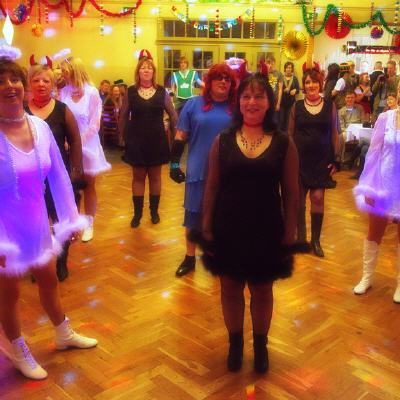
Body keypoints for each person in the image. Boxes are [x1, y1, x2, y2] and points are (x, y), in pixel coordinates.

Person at [0, 55, 97, 381]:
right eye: (0, 81)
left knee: (49, 280)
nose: (9, 86)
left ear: (23, 86)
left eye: (14, 79)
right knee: (8, 294)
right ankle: (18, 350)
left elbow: (58, 175)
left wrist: (70, 218)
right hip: (4, 229)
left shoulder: (39, 127)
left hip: (38, 221)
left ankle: (63, 333)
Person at [198, 73, 298, 373]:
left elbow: (291, 193)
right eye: (246, 96)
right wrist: (206, 229)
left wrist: (290, 234)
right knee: (230, 287)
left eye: (258, 96)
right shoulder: (223, 141)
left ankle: (261, 346)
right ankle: (235, 344)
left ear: (269, 102)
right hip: (228, 227)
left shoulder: (284, 142)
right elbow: (212, 187)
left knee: (262, 289)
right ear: (238, 102)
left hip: (267, 229)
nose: (252, 102)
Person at [170, 63, 236, 277]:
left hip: (229, 170)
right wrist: (174, 164)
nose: (223, 81)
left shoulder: (236, 107)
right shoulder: (193, 104)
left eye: (227, 78)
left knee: (224, 214)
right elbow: (180, 136)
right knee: (193, 214)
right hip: (198, 168)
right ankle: (190, 258)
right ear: (209, 81)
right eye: (219, 77)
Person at [25, 61, 83, 281]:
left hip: (58, 175)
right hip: (30, 178)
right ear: (29, 84)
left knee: (61, 219)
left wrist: (76, 169)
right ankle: (38, 263)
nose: (41, 84)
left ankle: (61, 260)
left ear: (53, 85)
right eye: (36, 80)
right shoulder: (21, 111)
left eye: (46, 80)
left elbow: (75, 141)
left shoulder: (62, 110)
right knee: (34, 220)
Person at [118, 50, 177, 228]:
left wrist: (177, 137)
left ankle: (154, 212)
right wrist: (121, 137)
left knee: (155, 177)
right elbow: (123, 115)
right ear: (138, 71)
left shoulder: (162, 92)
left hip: (157, 140)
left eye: (149, 68)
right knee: (138, 177)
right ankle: (137, 214)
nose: (146, 70)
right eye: (143, 67)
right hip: (136, 141)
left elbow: (173, 115)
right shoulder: (130, 92)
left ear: (153, 72)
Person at [353, 96, 400, 303]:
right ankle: (367, 277)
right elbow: (373, 153)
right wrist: (369, 186)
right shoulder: (385, 118)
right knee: (374, 232)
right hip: (382, 184)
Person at [288, 68, 340, 257]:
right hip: (299, 161)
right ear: (304, 85)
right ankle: (299, 239)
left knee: (318, 198)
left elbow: (335, 133)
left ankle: (315, 241)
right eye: (308, 82)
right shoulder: (297, 106)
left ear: (320, 84)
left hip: (321, 161)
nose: (311, 85)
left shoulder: (330, 106)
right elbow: (290, 134)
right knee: (298, 202)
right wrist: (288, 160)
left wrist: (336, 159)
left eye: (314, 82)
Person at [59, 57, 111, 242]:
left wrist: (77, 142)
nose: (62, 74)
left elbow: (94, 123)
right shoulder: (64, 92)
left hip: (87, 146)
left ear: (74, 70)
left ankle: (89, 223)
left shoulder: (92, 92)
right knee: (70, 187)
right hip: (67, 145)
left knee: (89, 186)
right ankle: (73, 223)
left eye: (65, 71)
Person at [338, 90, 364, 164]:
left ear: (355, 98)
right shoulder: (341, 111)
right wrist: (350, 131)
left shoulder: (360, 108)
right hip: (347, 131)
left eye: (352, 97)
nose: (350, 99)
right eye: (348, 97)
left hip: (359, 130)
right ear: (345, 99)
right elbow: (342, 127)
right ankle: (340, 159)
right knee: (341, 136)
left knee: (366, 137)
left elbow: (363, 122)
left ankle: (360, 161)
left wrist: (359, 130)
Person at [279, 61, 300, 132]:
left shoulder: (295, 79)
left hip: (291, 103)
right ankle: (280, 134)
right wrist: (282, 90)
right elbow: (277, 89)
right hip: (281, 102)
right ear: (285, 69)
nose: (288, 69)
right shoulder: (281, 78)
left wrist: (295, 90)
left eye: (290, 68)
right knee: (281, 120)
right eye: (287, 68)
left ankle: (287, 135)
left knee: (288, 120)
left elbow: (298, 90)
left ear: (292, 69)